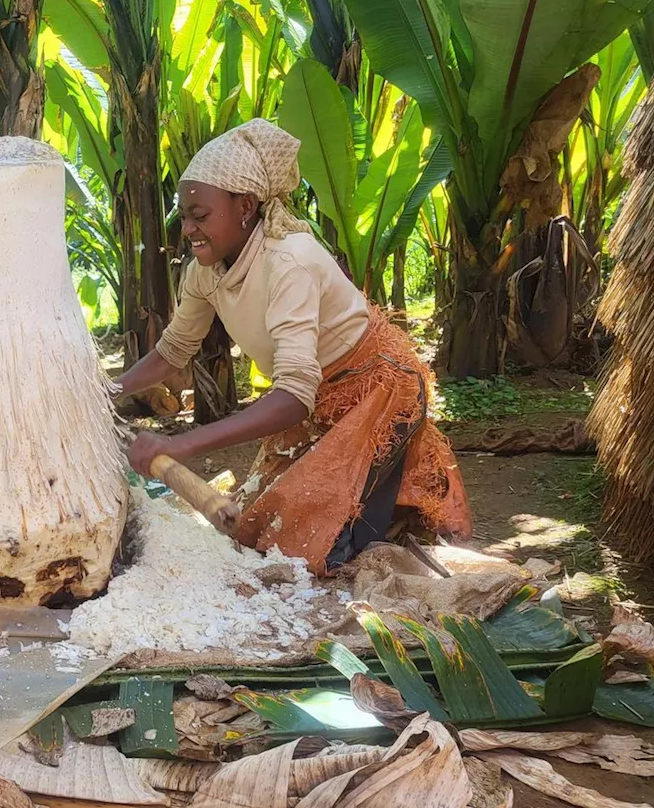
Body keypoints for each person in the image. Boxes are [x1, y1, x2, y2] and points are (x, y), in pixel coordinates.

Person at [116, 118, 470, 574]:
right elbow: (173, 350)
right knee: (257, 529)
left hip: (377, 395)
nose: (188, 228)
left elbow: (293, 400)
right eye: (184, 216)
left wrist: (180, 444)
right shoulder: (204, 272)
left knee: (312, 551)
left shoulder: (289, 262)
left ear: (245, 206)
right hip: (316, 398)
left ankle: (382, 506)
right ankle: (375, 503)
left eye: (200, 216)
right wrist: (109, 389)